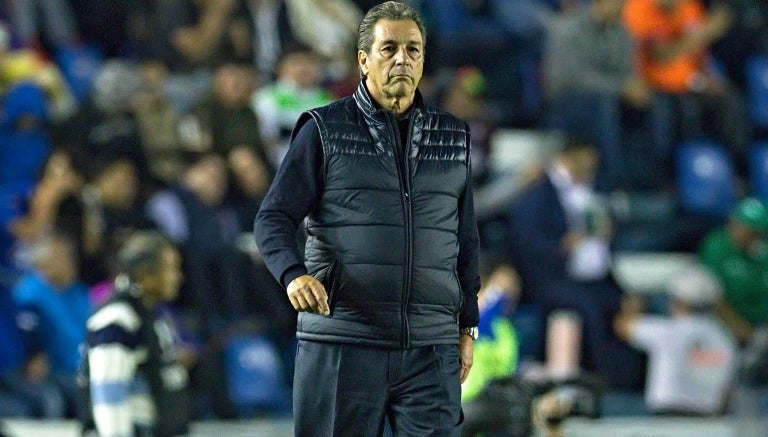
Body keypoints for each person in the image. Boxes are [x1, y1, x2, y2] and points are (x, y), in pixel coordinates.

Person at [253, 2, 481, 435]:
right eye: (389, 48)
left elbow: (465, 239)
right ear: (363, 60)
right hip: (344, 338)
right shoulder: (324, 128)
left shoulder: (453, 136)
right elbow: (273, 217)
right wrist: (293, 274)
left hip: (430, 348)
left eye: (413, 50)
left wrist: (467, 325)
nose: (402, 59)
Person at [508, 138, 644, 390]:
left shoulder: (595, 190)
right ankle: (604, 384)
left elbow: (603, 246)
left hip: (595, 278)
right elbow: (525, 243)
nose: (591, 166)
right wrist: (563, 246)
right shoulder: (538, 192)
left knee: (627, 303)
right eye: (586, 160)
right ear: (569, 156)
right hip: (551, 280)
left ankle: (631, 383)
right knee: (590, 308)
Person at [80, 232, 191, 437]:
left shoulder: (147, 313)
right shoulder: (116, 320)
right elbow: (109, 397)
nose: (178, 278)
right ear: (145, 274)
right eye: (170, 269)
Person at [614, 264, 737, 414]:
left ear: (680, 302)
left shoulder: (670, 331)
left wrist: (633, 306)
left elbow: (622, 326)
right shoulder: (725, 338)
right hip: (709, 418)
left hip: (667, 416)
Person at [699, 197, 768, 343]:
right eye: (737, 224)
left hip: (761, 325)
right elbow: (712, 295)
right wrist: (742, 331)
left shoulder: (762, 253)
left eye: (748, 229)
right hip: (722, 324)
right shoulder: (717, 246)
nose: (738, 230)